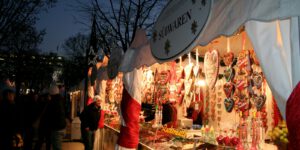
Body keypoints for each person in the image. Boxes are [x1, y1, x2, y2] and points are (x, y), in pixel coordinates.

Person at [48, 84, 67, 150]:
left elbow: (51, 115)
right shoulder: (61, 100)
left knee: (57, 147)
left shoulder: (53, 102)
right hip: (62, 127)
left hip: (57, 128)